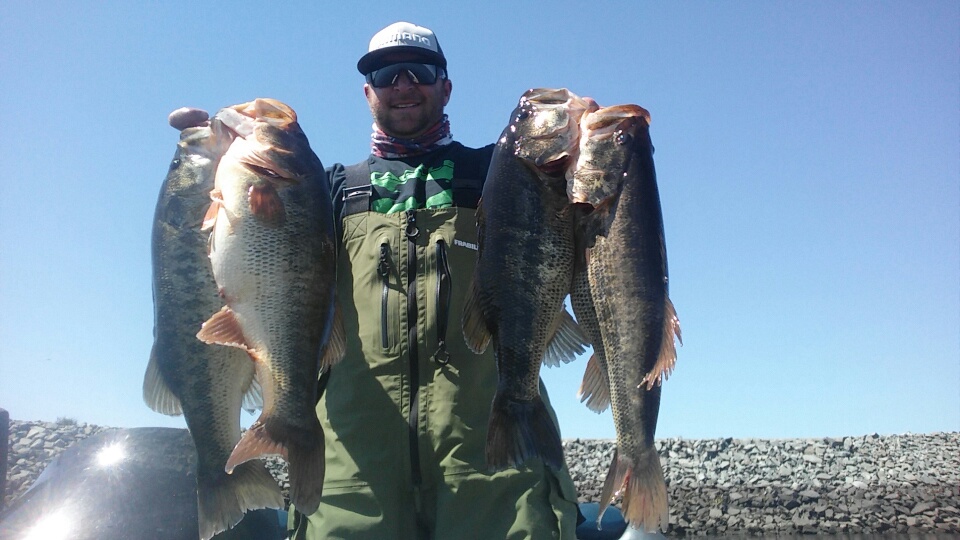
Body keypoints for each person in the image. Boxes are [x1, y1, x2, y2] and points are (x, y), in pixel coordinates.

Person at [287, 21, 581, 540]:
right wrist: (208, 162)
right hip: (352, 463)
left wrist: (592, 138)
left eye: (419, 71)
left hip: (492, 457)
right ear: (367, 94)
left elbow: (585, 208)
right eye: (385, 75)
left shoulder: (501, 173)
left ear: (445, 87)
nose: (403, 84)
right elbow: (258, 252)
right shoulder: (331, 189)